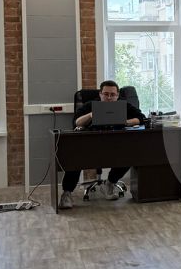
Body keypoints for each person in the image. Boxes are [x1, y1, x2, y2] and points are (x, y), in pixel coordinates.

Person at [59, 80, 143, 209]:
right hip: (90, 145)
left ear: (117, 95)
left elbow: (141, 118)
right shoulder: (90, 105)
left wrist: (125, 122)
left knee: (130, 154)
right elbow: (77, 122)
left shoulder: (124, 106)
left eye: (112, 95)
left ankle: (110, 183)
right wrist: (91, 115)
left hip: (116, 144)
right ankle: (67, 193)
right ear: (100, 94)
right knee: (75, 158)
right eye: (106, 94)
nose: (109, 97)